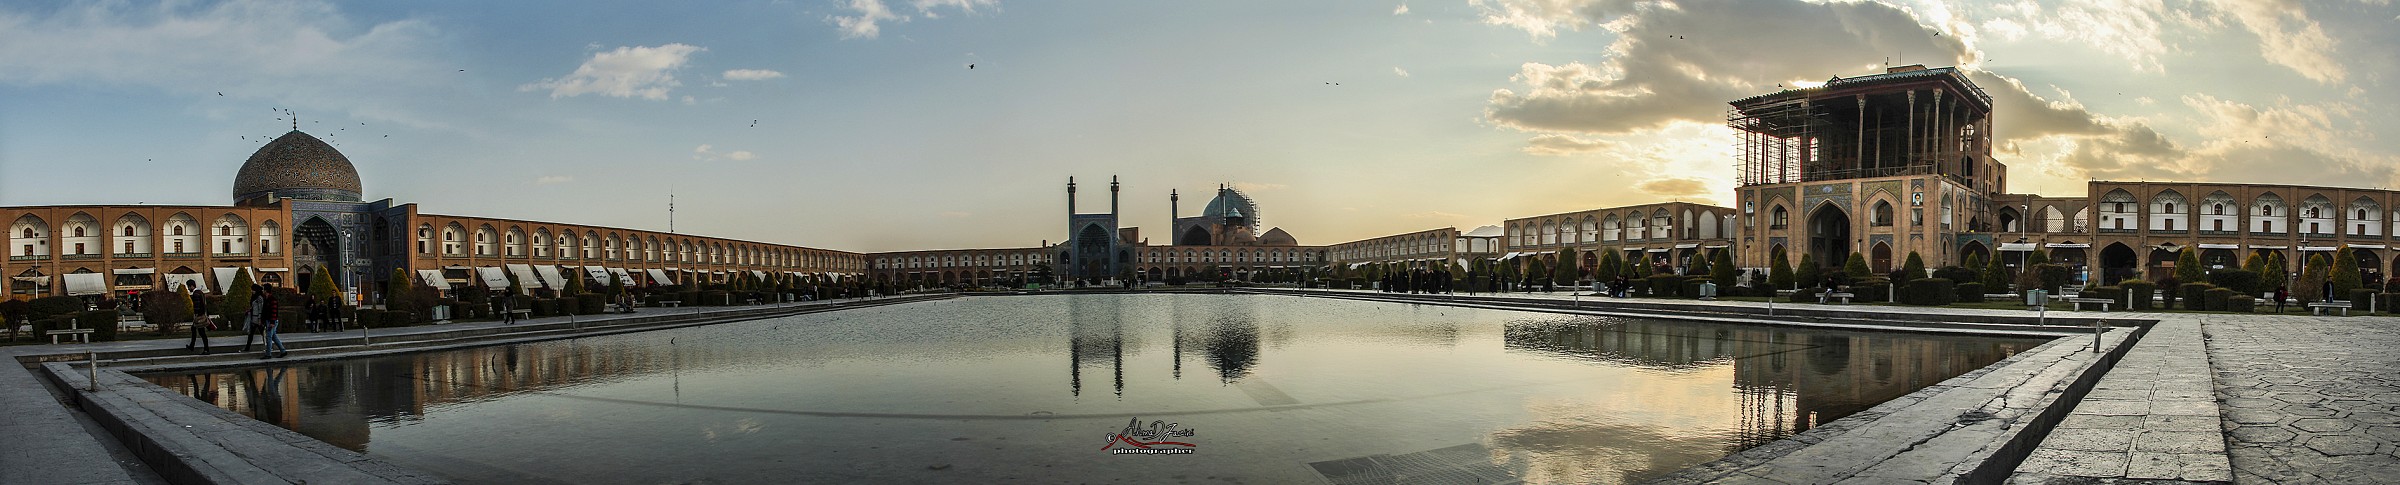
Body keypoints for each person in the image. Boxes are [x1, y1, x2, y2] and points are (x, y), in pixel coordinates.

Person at [259, 284, 287, 359]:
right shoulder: (266, 299)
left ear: (266, 290)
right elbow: (264, 312)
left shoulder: (272, 299)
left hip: (272, 321)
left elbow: (274, 311)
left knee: (269, 337)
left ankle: (268, 354)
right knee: (273, 337)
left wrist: (272, 322)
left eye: (263, 289)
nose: (262, 291)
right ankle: (283, 351)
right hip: (268, 320)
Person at [184, 282, 211, 355]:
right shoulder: (201, 292)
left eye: (189, 287)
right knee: (194, 329)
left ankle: (206, 349)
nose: (189, 289)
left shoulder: (196, 294)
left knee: (202, 332)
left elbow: (197, 306)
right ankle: (192, 346)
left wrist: (196, 315)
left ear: (192, 286)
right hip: (202, 314)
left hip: (199, 316)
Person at [239, 285, 264, 353]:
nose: (252, 291)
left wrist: (259, 319)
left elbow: (260, 309)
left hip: (257, 319)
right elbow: (253, 307)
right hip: (253, 318)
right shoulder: (254, 297)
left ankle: (268, 346)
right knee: (250, 334)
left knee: (263, 333)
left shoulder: (259, 298)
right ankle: (247, 347)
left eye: (253, 290)